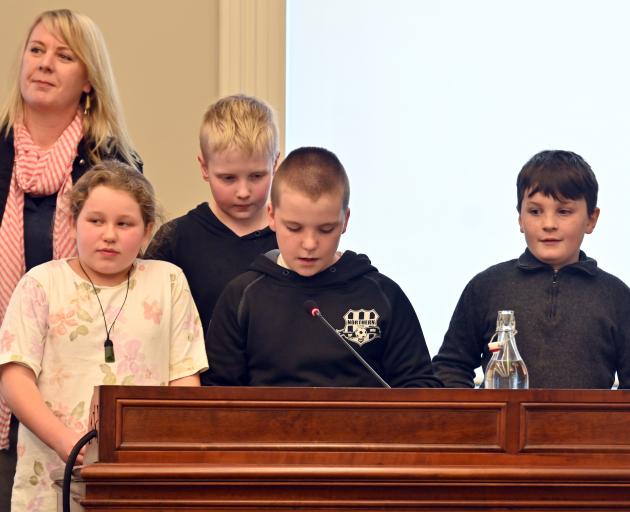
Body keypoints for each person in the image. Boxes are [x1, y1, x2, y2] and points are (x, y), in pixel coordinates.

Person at [0, 161, 208, 510]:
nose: (109, 234)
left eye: (124, 223)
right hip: (51, 473)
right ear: (73, 222)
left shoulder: (168, 281)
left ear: (146, 231)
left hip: (141, 474)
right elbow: (14, 375)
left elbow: (184, 375)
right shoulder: (41, 283)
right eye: (96, 221)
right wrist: (62, 439)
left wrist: (159, 444)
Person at [0, 9, 141, 506]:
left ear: (88, 80)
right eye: (36, 51)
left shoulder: (114, 167)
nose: (44, 64)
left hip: (79, 392)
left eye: (64, 56)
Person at [203, 147, 441, 388]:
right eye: (294, 228)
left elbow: (420, 389)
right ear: (272, 216)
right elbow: (218, 397)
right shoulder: (243, 297)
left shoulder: (383, 296)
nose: (309, 244)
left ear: (345, 221)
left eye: (326, 229)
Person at [432, 150, 630, 388]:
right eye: (535, 211)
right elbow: (450, 367)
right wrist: (476, 422)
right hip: (501, 426)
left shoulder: (616, 296)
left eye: (564, 211)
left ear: (591, 219)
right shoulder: (487, 286)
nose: (548, 224)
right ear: (520, 219)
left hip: (586, 426)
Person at [145, 94, 279, 333]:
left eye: (257, 176)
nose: (243, 191)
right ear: (204, 167)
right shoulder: (176, 240)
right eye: (228, 178)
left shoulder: (290, 237)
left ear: (275, 164)